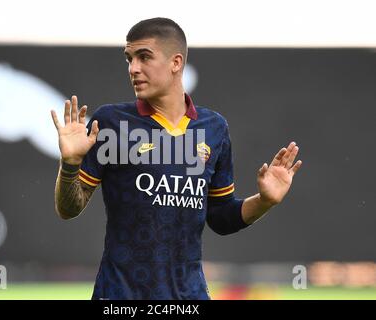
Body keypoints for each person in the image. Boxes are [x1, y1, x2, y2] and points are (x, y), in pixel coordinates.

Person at [51, 17, 302, 300]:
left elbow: (220, 217)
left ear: (176, 62)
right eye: (129, 58)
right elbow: (69, 209)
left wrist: (264, 201)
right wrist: (70, 164)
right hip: (120, 298)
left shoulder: (214, 128)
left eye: (144, 57)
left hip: (189, 298)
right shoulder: (111, 122)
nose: (133, 68)